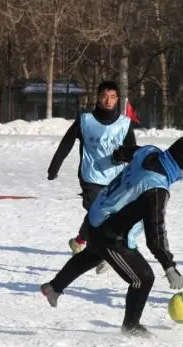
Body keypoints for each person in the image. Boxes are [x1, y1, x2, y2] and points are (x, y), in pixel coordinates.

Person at [40, 135, 183, 337]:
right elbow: (156, 234)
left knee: (93, 254)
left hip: (96, 214)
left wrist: (118, 155)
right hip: (110, 234)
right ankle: (131, 325)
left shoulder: (150, 151)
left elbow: (128, 152)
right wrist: (169, 266)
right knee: (143, 278)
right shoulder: (157, 189)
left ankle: (54, 287)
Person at [47, 81, 137, 274]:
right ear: (97, 96)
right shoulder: (85, 120)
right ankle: (104, 253)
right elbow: (66, 143)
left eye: (113, 96)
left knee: (106, 215)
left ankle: (80, 241)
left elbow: (133, 152)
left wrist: (124, 156)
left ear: (118, 99)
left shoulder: (124, 124)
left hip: (115, 179)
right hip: (91, 178)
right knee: (100, 215)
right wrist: (54, 168)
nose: (108, 100)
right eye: (105, 95)